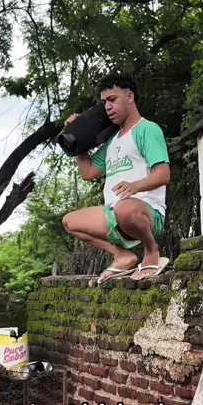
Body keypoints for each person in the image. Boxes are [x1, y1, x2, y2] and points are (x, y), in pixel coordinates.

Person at [62, 74, 171, 284]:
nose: (108, 107)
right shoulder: (112, 141)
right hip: (114, 215)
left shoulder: (146, 129)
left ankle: (151, 251)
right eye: (104, 102)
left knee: (125, 208)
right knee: (70, 222)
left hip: (146, 214)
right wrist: (76, 138)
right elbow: (88, 173)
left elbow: (163, 174)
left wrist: (136, 186)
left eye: (112, 99)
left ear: (129, 97)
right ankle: (122, 255)